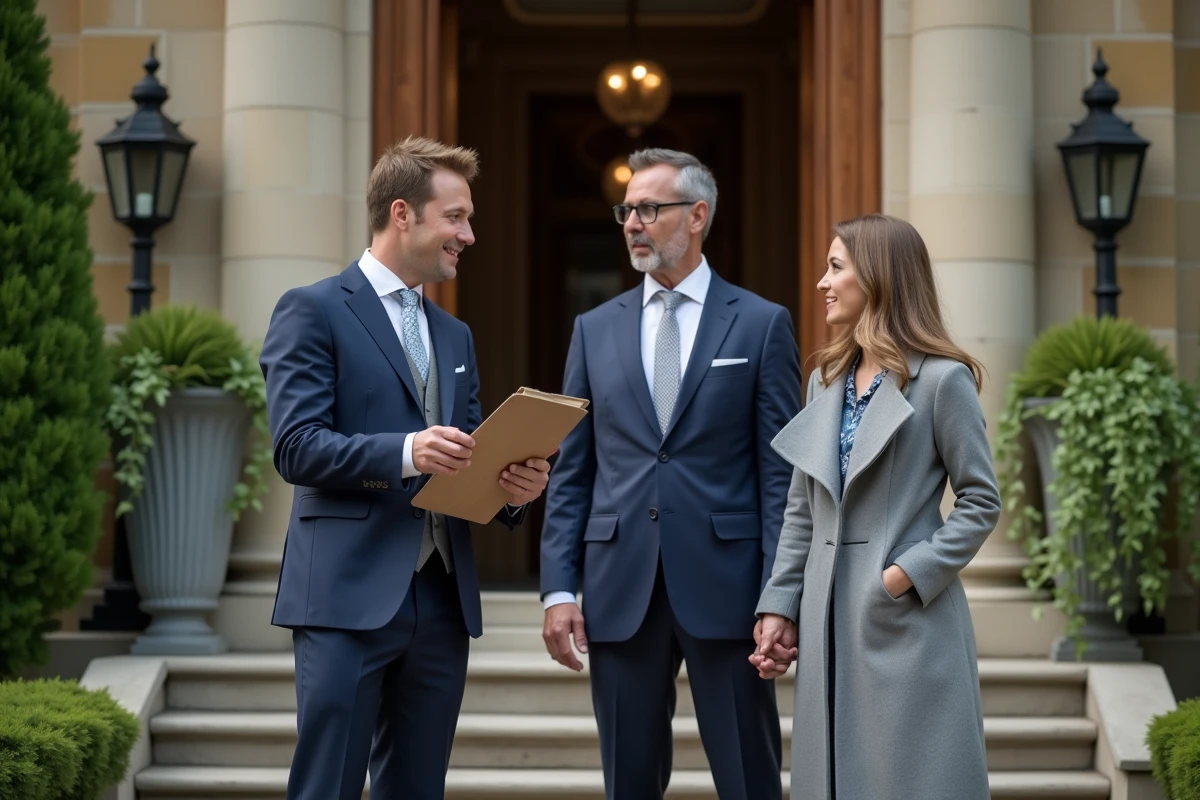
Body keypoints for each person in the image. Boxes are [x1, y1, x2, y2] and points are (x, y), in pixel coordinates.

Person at [259, 136, 552, 800]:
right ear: (402, 214)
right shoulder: (313, 310)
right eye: (456, 217)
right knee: (327, 788)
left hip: (441, 602)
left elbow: (468, 458)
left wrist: (514, 491)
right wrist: (406, 451)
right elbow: (296, 447)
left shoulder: (455, 335)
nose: (468, 235)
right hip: (344, 594)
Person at [539, 147, 802, 800]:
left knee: (750, 780)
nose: (632, 222)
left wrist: (779, 594)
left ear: (697, 216)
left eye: (650, 209)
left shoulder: (762, 324)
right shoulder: (593, 329)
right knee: (628, 784)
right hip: (619, 585)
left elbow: (780, 476)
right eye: (626, 210)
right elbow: (573, 469)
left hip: (730, 588)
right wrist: (558, 589)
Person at [752, 213, 1001, 800]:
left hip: (907, 626)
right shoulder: (825, 380)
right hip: (828, 623)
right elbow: (801, 509)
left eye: (836, 267)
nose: (822, 282)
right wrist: (780, 606)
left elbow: (981, 500)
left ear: (880, 280)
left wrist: (903, 576)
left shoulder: (943, 381)